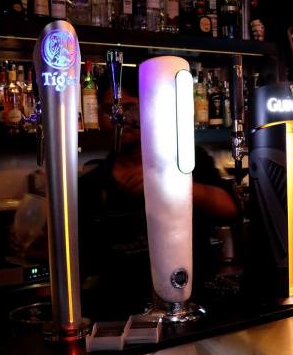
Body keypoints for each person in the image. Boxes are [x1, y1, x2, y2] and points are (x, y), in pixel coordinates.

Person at [79, 73, 238, 316]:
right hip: (118, 315)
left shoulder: (186, 159)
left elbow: (229, 209)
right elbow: (81, 257)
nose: (119, 118)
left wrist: (169, 184)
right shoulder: (92, 183)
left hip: (189, 306)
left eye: (129, 108)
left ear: (149, 110)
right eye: (109, 110)